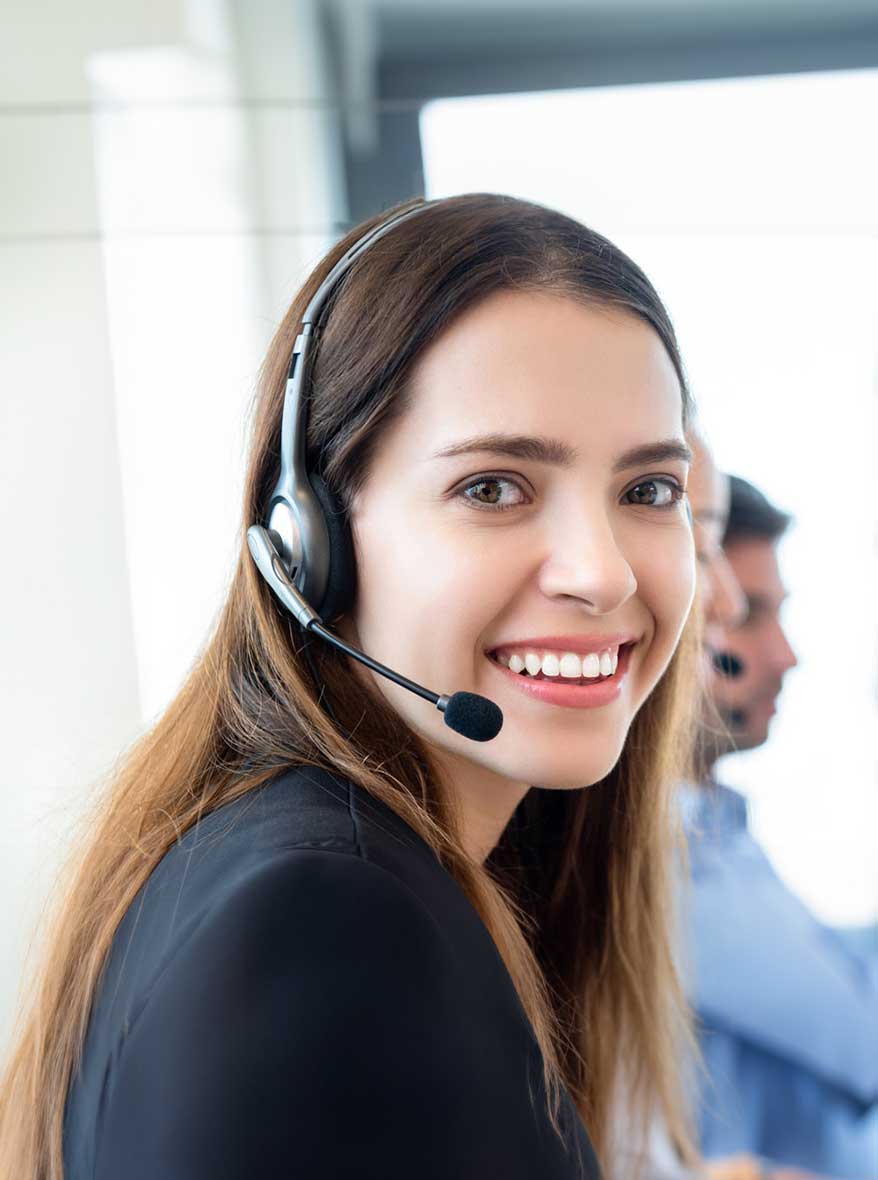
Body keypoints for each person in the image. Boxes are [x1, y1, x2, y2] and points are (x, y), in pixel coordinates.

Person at [0, 193, 702, 1180]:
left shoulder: (294, 863)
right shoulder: (327, 921)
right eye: (493, 486)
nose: (602, 572)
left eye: (646, 491)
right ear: (308, 537)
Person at [683, 475, 878, 1179]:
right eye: (747, 616)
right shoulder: (666, 857)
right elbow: (861, 1037)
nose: (785, 655)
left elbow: (835, 969)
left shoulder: (716, 827)